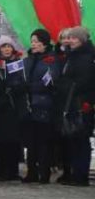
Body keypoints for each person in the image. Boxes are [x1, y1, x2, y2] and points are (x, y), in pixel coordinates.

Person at [56, 26, 94, 186]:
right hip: (72, 101)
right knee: (73, 138)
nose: (69, 41)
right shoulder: (72, 56)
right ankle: (74, 173)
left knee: (80, 138)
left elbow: (83, 81)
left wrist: (65, 84)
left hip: (81, 102)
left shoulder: (87, 57)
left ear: (81, 40)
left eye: (73, 38)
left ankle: (80, 175)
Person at [22, 29, 59, 184]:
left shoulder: (51, 59)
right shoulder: (29, 58)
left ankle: (44, 172)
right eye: (32, 41)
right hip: (29, 105)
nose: (34, 44)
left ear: (44, 42)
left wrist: (30, 87)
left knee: (43, 142)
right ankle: (31, 172)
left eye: (37, 41)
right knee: (31, 142)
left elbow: (50, 80)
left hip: (44, 104)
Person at [0, 36, 27, 181]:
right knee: (1, 142)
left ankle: (13, 170)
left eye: (9, 46)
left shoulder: (18, 64)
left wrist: (15, 87)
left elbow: (24, 83)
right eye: (3, 46)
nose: (6, 49)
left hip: (14, 108)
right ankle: (1, 170)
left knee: (14, 141)